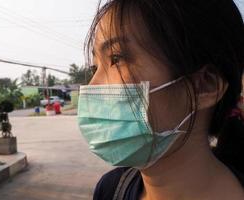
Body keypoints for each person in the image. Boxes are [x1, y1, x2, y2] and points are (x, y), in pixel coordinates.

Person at [77, 0, 244, 199]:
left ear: (205, 85)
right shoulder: (111, 189)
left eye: (116, 58)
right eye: (95, 68)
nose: (91, 87)